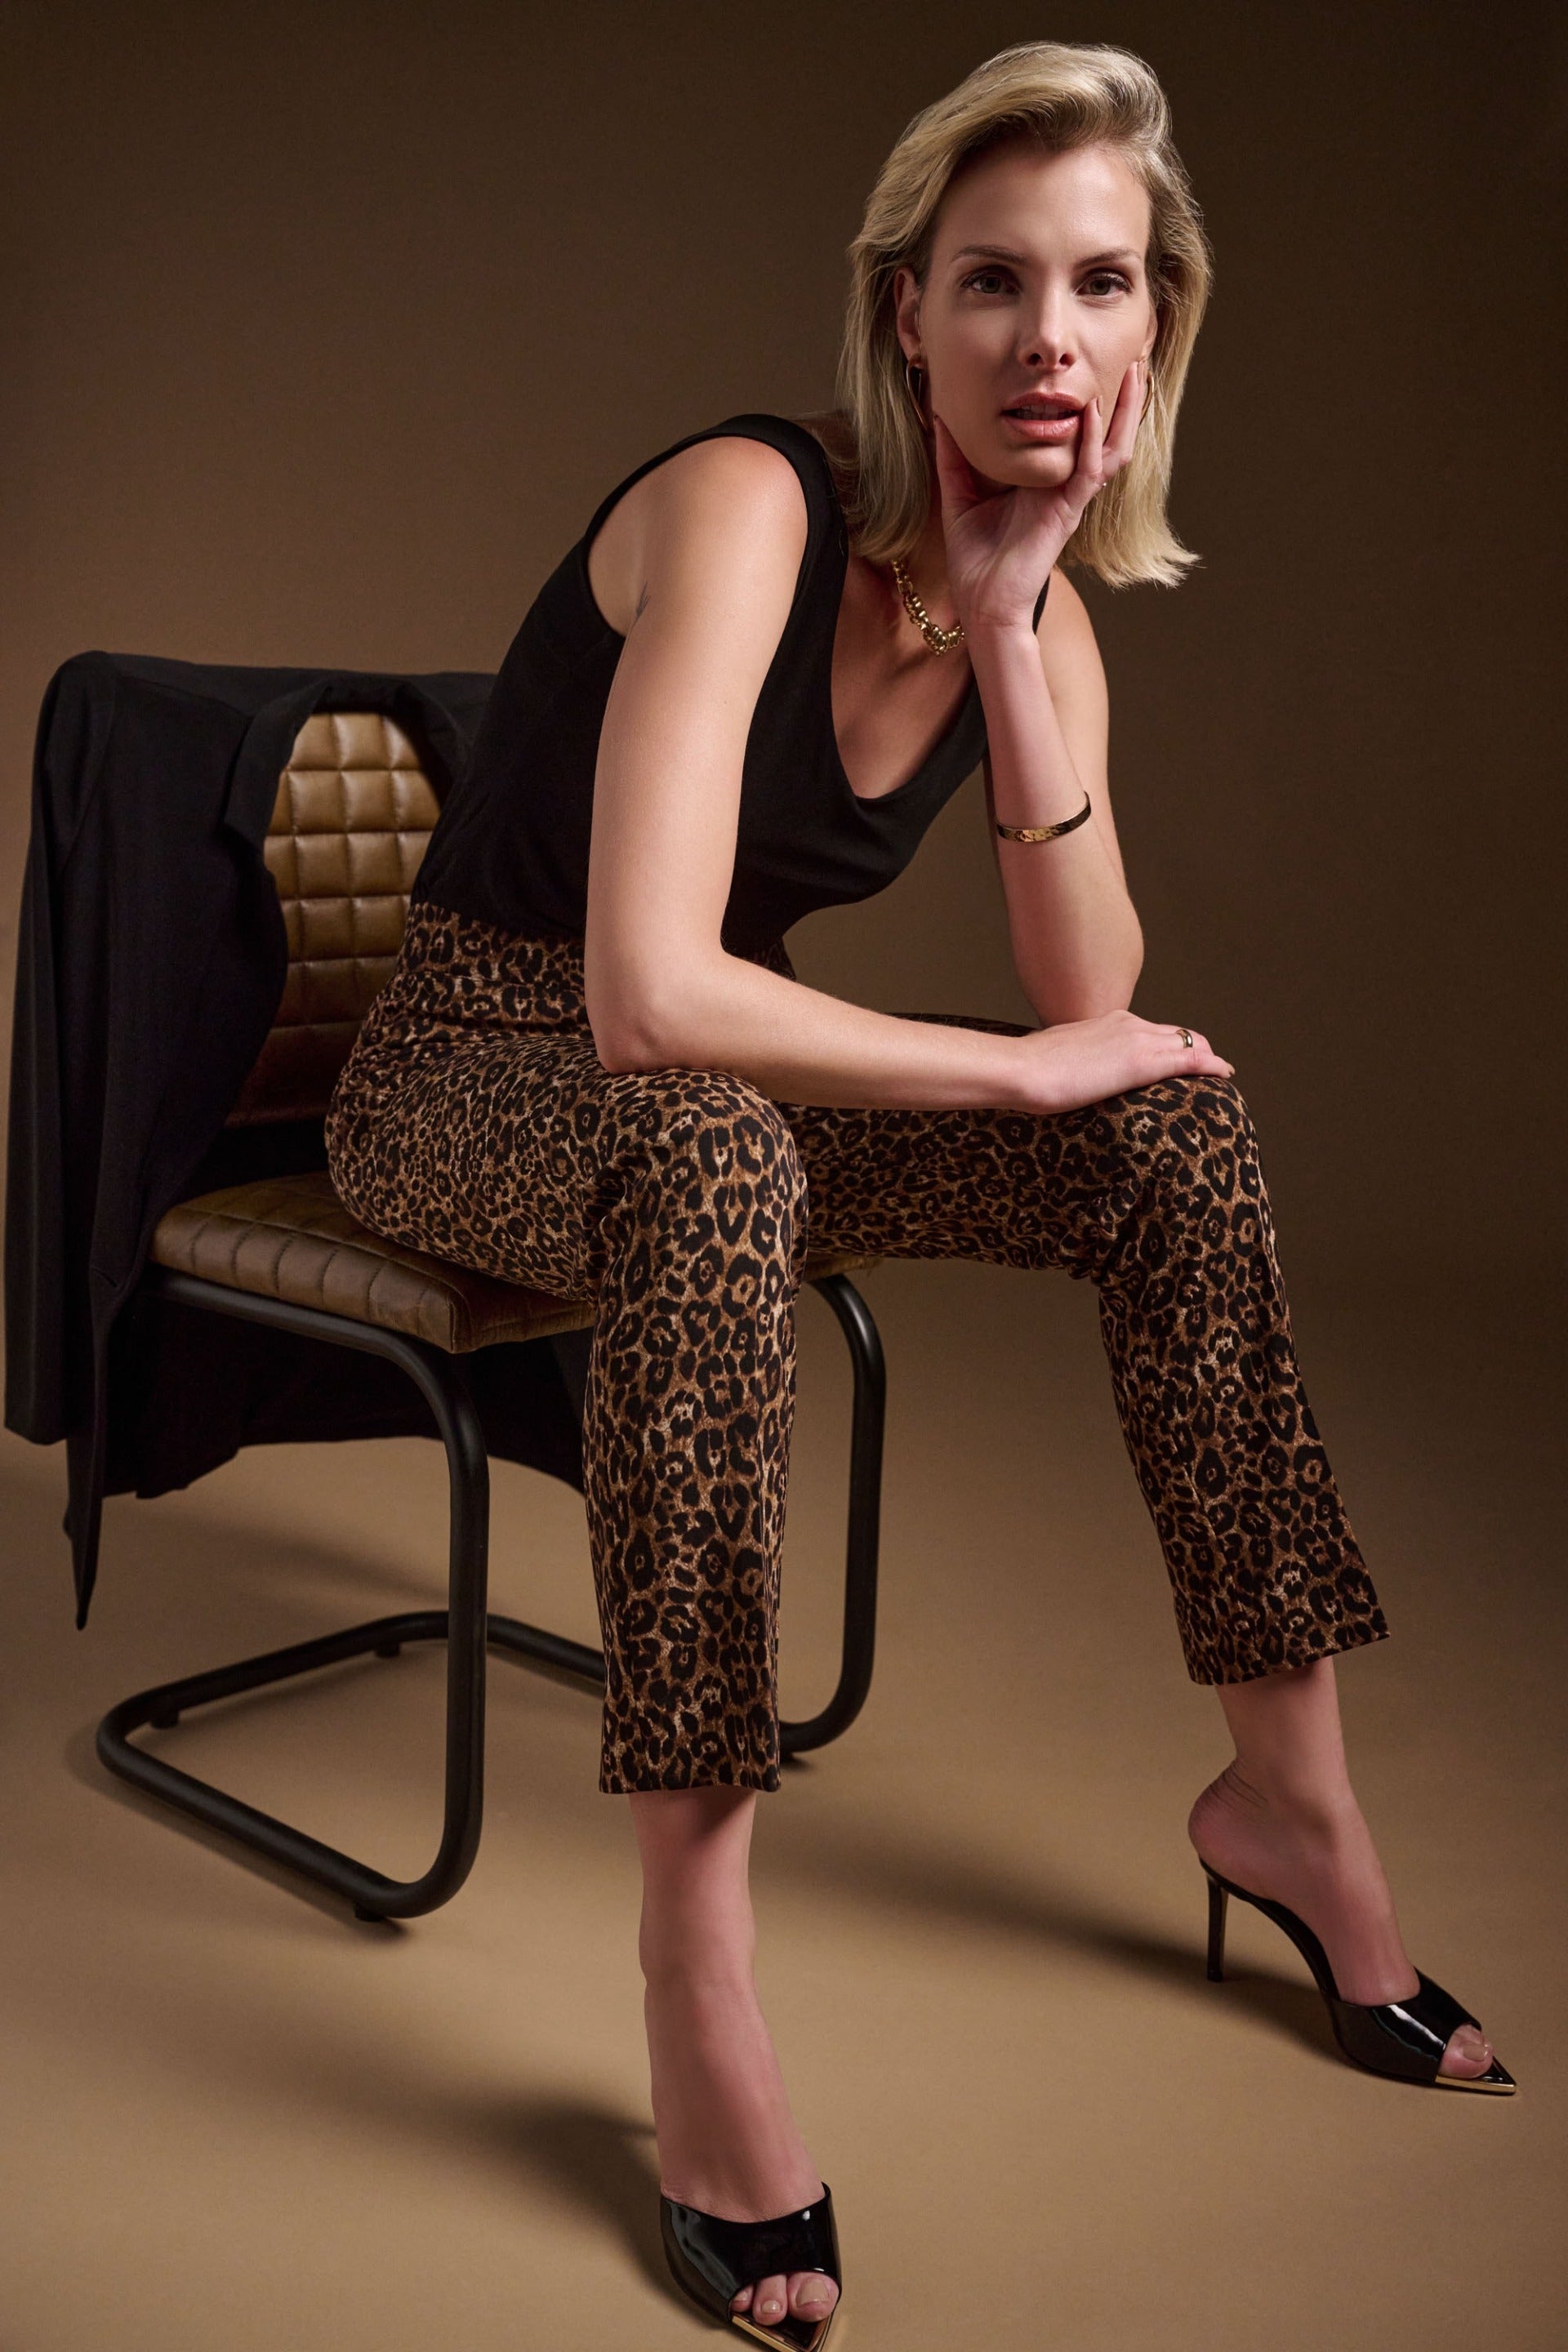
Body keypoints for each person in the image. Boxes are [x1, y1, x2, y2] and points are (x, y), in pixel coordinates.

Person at [324, 38, 1509, 2350]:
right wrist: (1011, 1066)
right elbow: (650, 996)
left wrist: (1011, 618)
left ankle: (1295, 1814)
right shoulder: (746, 506)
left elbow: (1098, 1002)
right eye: (991, 281)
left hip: (725, 1097)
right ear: (905, 312)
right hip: (472, 1069)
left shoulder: (1036, 616)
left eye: (1100, 285)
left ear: (1156, 328)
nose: (1046, 338)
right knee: (712, 1141)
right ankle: (697, 1976)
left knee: (1166, 1133)